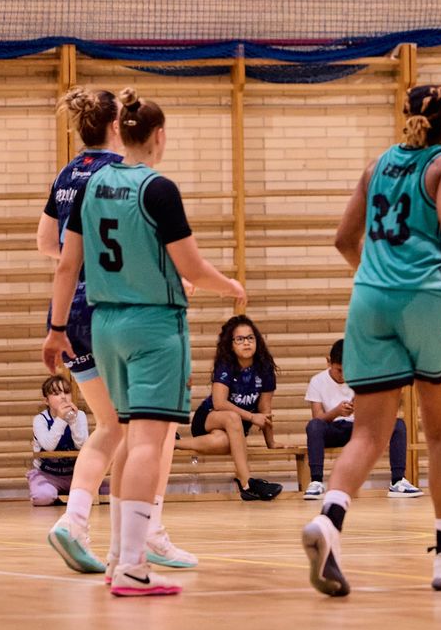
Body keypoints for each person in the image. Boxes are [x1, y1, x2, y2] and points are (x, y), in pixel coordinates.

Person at [302, 84, 441, 599]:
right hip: (429, 299)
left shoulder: (377, 167)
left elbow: (345, 240)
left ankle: (329, 521)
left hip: (369, 300)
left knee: (368, 432)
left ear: (406, 116)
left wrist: (376, 281)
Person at [48, 88, 246, 596]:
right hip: (152, 323)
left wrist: (54, 327)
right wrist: (230, 287)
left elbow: (64, 258)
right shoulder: (156, 187)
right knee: (145, 444)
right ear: (157, 136)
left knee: (118, 432)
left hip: (101, 321)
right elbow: (190, 265)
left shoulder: (90, 185)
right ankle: (136, 560)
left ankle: (119, 552)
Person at [38, 89, 196, 574]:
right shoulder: (122, 176)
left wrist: (78, 272)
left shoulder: (68, 175)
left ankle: (76, 520)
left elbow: (48, 243)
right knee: (155, 429)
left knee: (112, 427)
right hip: (122, 307)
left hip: (77, 315)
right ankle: (146, 534)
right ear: (117, 127)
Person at [177, 314, 283, 501]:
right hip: (209, 417)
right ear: (231, 344)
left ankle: (172, 443)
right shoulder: (226, 366)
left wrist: (271, 442)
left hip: (235, 429)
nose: (246, 343)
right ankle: (247, 483)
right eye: (239, 339)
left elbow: (265, 409)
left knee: (225, 442)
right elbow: (219, 403)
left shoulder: (265, 370)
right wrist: (251, 418)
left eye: (250, 338)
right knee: (232, 417)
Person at [303, 339, 420, 500]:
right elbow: (318, 417)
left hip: (359, 429)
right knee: (313, 425)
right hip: (333, 430)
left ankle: (398, 481)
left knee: (397, 424)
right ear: (328, 362)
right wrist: (337, 411)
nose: (344, 375)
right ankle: (316, 481)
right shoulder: (317, 381)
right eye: (339, 370)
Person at [29, 375, 91, 506]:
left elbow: (82, 445)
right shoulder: (40, 420)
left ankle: (72, 494)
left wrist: (73, 421)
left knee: (108, 491)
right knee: (43, 497)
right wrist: (61, 419)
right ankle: (54, 495)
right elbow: (48, 446)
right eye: (56, 393)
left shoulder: (79, 415)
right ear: (46, 400)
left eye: (67, 392)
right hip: (48, 474)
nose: (63, 397)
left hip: (75, 474)